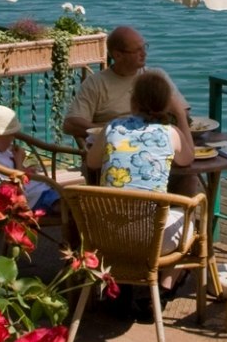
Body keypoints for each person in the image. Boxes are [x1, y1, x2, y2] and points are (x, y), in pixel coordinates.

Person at [84, 71, 195, 286]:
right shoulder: (169, 133)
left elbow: (92, 163)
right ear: (165, 105)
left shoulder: (112, 128)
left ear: (133, 101)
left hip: (105, 237)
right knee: (191, 217)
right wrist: (180, 115)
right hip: (150, 241)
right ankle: (164, 287)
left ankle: (124, 282)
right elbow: (188, 157)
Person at [63, 26, 190, 138]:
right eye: (137, 50)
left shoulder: (155, 77)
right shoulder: (96, 83)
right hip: (111, 151)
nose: (144, 53)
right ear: (118, 55)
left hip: (155, 143)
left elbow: (183, 111)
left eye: (144, 47)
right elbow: (70, 124)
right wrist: (114, 134)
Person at [0, 105, 60, 215]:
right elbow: (10, 192)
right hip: (33, 200)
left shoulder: (4, 150)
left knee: (76, 201)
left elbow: (31, 169)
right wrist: (18, 162)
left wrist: (27, 162)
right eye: (11, 134)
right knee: (75, 208)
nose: (14, 138)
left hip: (42, 191)